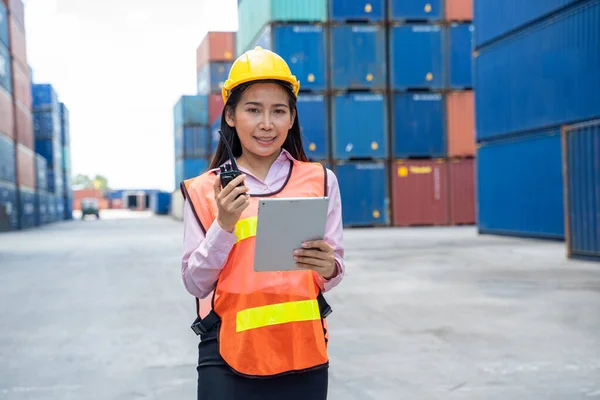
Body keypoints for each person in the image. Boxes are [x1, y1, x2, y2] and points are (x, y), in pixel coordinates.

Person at [180, 46, 345, 400]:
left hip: (304, 351)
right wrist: (224, 225)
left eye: (278, 111)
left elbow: (331, 274)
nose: (266, 123)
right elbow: (195, 283)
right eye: (253, 110)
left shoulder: (320, 180)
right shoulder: (206, 190)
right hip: (228, 356)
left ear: (291, 118)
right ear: (230, 116)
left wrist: (329, 267)